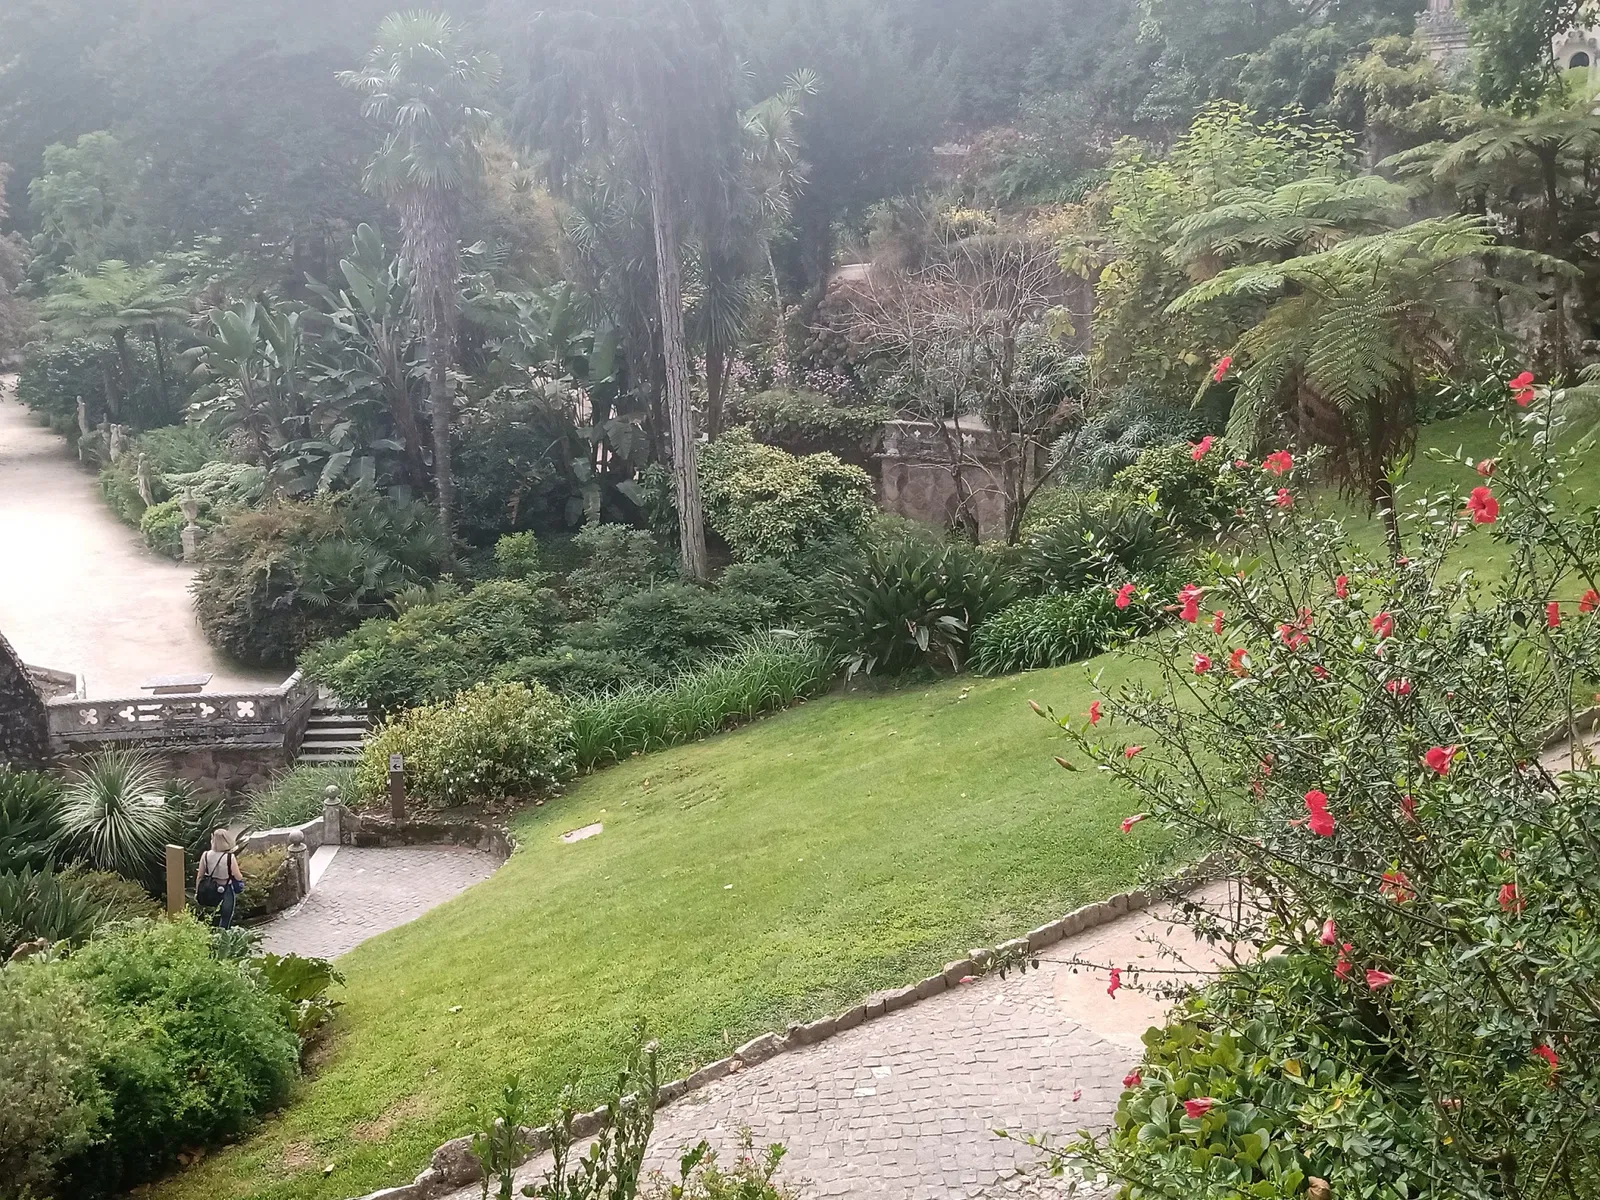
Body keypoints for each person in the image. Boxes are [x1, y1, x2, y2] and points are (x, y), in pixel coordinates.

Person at [195, 829, 245, 929]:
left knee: (210, 916)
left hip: (210, 889)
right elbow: (238, 876)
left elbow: (200, 876)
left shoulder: (205, 855)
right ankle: (221, 939)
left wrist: (197, 891)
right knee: (225, 918)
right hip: (226, 889)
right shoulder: (230, 857)